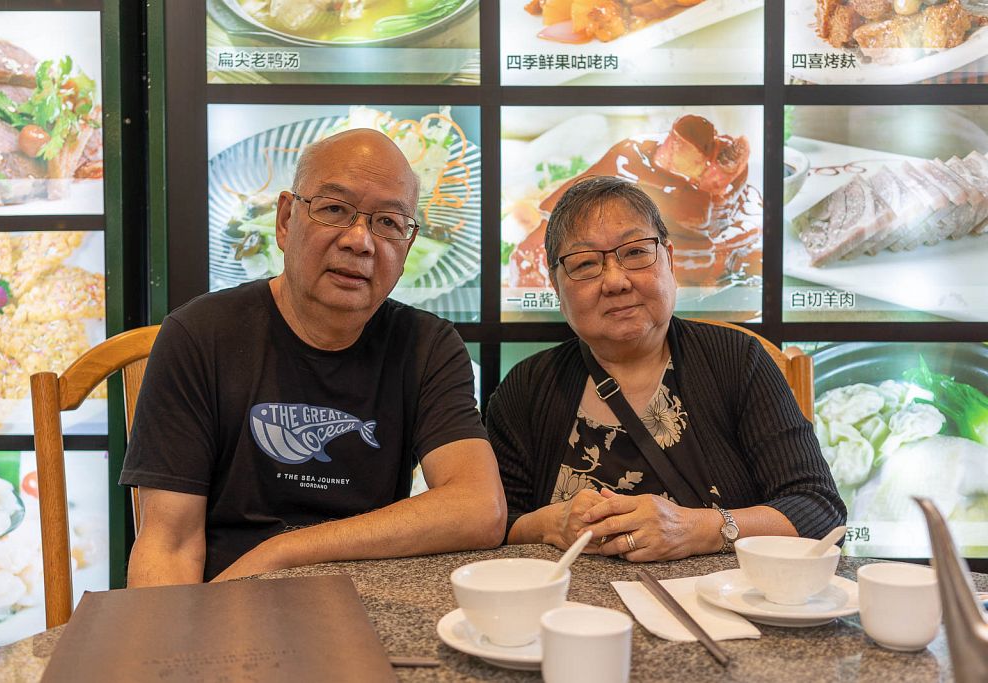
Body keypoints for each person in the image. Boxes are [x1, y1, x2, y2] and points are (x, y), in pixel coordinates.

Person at [121, 129, 506, 585]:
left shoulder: (426, 345)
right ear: (285, 220)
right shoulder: (200, 334)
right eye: (334, 209)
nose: (359, 241)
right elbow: (169, 544)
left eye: (388, 222)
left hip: (366, 601)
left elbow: (480, 506)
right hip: (223, 600)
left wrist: (282, 552)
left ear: (406, 247)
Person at [486, 176, 845, 561]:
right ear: (556, 287)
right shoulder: (526, 387)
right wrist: (549, 523)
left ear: (669, 260)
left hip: (718, 598)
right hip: (568, 600)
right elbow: (490, 523)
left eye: (635, 252)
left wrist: (698, 529)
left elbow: (819, 511)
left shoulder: (737, 360)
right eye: (586, 263)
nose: (616, 281)